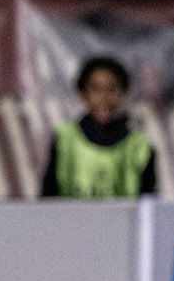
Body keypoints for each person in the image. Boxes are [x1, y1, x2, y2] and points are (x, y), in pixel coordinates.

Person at [42, 57, 158, 198]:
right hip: (71, 220)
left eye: (112, 89)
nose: (104, 97)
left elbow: (149, 205)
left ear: (124, 92)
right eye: (96, 89)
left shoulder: (140, 147)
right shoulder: (65, 139)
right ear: (83, 93)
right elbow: (47, 199)